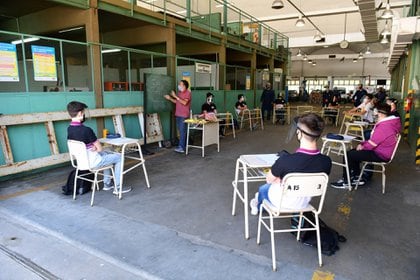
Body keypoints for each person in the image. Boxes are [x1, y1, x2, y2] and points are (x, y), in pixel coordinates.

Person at [250, 113, 332, 214]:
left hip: (280, 202)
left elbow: (269, 179)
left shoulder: (286, 161)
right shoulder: (326, 161)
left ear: (299, 133)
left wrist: (280, 180)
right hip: (304, 203)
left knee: (264, 188)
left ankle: (258, 206)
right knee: (269, 187)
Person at [66, 101, 131, 194]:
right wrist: (95, 148)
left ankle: (107, 184)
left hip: (81, 163)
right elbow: (100, 148)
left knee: (106, 153)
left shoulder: (69, 129)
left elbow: (82, 145)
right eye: (84, 112)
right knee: (119, 157)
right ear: (80, 113)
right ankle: (118, 187)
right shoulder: (86, 130)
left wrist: (93, 147)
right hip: (94, 162)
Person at [331, 103, 401, 188]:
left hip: (380, 154)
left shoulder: (385, 126)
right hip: (382, 151)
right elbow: (374, 140)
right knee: (353, 152)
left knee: (349, 154)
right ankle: (356, 177)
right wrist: (362, 144)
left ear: (381, 114)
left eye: (376, 113)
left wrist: (362, 146)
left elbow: (373, 143)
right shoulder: (391, 122)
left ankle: (346, 181)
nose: (375, 115)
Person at [164, 79, 191, 154]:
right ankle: (182, 145)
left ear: (184, 86)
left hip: (183, 115)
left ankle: (182, 147)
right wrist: (170, 98)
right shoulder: (179, 93)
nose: (179, 85)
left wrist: (175, 96)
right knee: (180, 131)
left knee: (182, 131)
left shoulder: (188, 93)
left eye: (180, 84)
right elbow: (177, 102)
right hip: (178, 114)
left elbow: (184, 102)